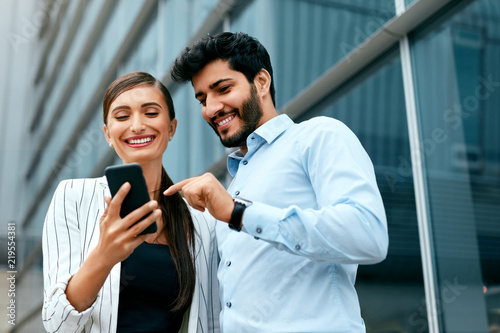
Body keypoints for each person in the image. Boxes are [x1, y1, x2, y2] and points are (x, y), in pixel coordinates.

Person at [164, 32, 389, 332]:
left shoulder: (317, 136)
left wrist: (239, 213)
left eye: (223, 89)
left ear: (261, 82)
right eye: (202, 98)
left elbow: (368, 234)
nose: (211, 108)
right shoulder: (235, 181)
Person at [42, 72, 220, 333]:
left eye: (150, 113)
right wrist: (104, 256)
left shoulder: (201, 220)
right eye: (122, 116)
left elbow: (212, 320)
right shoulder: (73, 196)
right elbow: (57, 323)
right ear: (107, 134)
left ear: (171, 127)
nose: (136, 126)